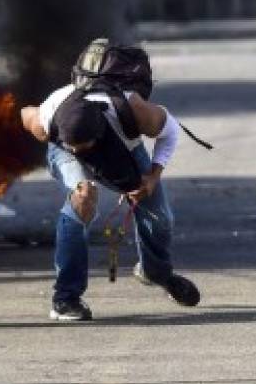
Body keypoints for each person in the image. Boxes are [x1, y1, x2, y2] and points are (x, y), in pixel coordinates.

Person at [20, 66, 200, 321]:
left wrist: (152, 177)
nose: (81, 151)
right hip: (62, 148)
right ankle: (65, 299)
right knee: (83, 197)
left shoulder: (132, 111)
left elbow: (170, 131)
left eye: (85, 146)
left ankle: (156, 272)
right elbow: (24, 113)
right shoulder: (47, 119)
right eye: (76, 146)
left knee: (159, 217)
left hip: (121, 144)